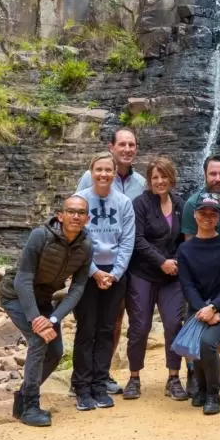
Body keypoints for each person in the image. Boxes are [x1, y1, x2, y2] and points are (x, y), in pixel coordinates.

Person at [0, 195, 93, 427]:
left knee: (56, 351)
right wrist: (35, 319)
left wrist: (52, 318)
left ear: (87, 218)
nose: (75, 216)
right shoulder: (40, 236)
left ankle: (22, 398)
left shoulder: (86, 246)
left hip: (44, 301)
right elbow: (23, 278)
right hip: (15, 295)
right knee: (39, 341)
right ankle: (31, 405)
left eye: (81, 212)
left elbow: (78, 287)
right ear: (60, 216)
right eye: (71, 211)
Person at [76, 127, 146, 396]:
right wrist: (92, 269)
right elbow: (76, 219)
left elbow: (132, 229)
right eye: (122, 144)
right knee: (89, 324)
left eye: (132, 144)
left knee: (113, 321)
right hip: (89, 264)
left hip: (125, 262)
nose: (127, 149)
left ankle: (101, 375)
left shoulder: (140, 182)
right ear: (112, 147)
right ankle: (83, 380)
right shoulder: (89, 179)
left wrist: (117, 271)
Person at [72, 153, 135, 411]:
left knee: (107, 329)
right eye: (99, 169)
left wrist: (116, 273)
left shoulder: (124, 203)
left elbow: (128, 240)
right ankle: (82, 387)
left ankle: (100, 383)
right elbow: (77, 239)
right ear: (91, 171)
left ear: (114, 172)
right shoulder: (82, 200)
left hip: (115, 273)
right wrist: (95, 272)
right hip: (86, 271)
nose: (104, 174)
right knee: (86, 329)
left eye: (108, 170)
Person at [123, 157, 188, 401]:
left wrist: (177, 262)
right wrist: (161, 261)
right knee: (140, 326)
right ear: (149, 181)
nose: (160, 181)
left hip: (172, 276)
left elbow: (186, 239)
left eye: (164, 176)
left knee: (173, 324)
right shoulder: (140, 204)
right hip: (143, 273)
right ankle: (134, 377)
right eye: (155, 178)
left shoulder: (181, 204)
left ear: (172, 178)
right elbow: (137, 239)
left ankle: (173, 377)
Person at [176, 192, 220, 415]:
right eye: (203, 212)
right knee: (197, 346)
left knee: (207, 343)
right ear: (195, 215)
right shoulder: (185, 249)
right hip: (197, 308)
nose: (207, 217)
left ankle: (212, 394)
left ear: (218, 217)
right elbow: (187, 285)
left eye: (212, 213)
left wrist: (214, 307)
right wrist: (202, 309)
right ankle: (202, 389)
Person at [182, 155, 220, 240]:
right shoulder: (192, 205)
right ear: (205, 176)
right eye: (213, 174)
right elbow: (189, 245)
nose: (217, 179)